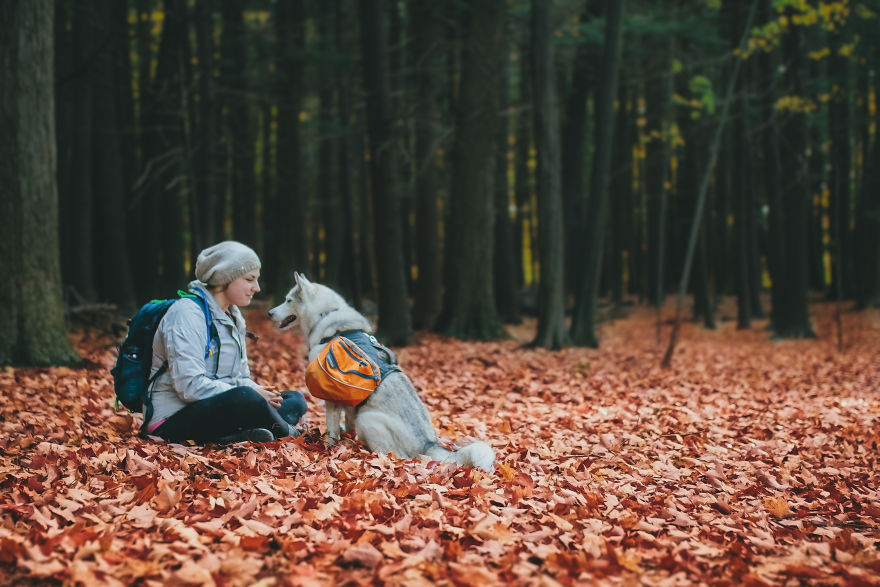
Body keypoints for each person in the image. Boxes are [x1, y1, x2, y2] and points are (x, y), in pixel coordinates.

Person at [145, 241, 307, 444]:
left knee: (294, 400)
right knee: (247, 398)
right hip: (172, 419)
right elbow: (189, 387)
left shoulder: (233, 316)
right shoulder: (186, 314)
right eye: (249, 279)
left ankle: (240, 434)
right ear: (224, 279)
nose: (257, 288)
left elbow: (239, 378)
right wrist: (253, 396)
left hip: (218, 408)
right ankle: (286, 432)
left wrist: (263, 394)